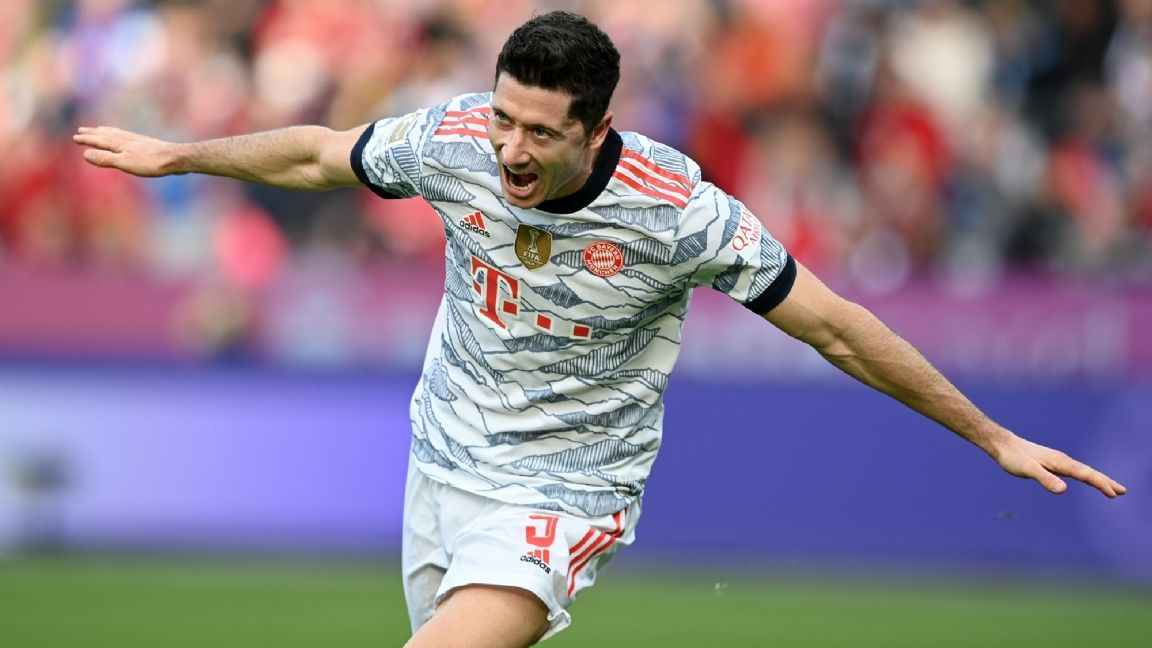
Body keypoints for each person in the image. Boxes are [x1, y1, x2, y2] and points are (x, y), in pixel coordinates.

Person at [74, 10, 1127, 648]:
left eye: (540, 132)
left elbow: (839, 330)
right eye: (504, 119)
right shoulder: (452, 140)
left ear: (598, 130)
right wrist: (179, 155)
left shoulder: (680, 216)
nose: (510, 151)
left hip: (567, 491)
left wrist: (993, 435)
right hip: (442, 458)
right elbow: (318, 155)